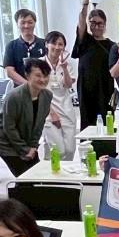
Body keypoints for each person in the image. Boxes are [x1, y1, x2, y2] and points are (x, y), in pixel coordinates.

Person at [0, 58, 53, 177]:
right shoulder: (14, 96)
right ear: (27, 76)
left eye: (46, 76)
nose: (43, 79)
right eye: (38, 75)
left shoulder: (47, 95)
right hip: (4, 139)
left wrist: (33, 147)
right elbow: (9, 127)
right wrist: (25, 149)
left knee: (37, 174)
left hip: (24, 137)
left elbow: (40, 124)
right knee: (25, 176)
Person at [74, 0, 115, 127]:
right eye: (93, 23)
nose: (97, 26)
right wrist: (85, 2)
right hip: (86, 90)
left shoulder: (112, 46)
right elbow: (81, 21)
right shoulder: (85, 41)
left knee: (107, 123)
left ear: (105, 24)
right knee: (88, 124)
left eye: (100, 23)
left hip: (105, 89)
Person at [42, 30, 78, 161]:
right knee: (58, 151)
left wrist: (64, 68)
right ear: (46, 44)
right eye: (54, 43)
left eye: (60, 44)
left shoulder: (67, 64)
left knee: (70, 150)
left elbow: (68, 85)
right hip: (48, 112)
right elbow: (38, 92)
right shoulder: (39, 64)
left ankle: (64, 174)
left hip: (67, 110)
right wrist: (51, 113)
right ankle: (50, 172)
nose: (57, 47)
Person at [2, 8, 45, 87]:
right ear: (17, 24)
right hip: (21, 90)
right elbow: (9, 71)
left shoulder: (44, 44)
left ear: (35, 23)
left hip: (43, 88)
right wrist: (29, 86)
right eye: (23, 23)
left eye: (30, 22)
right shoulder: (11, 46)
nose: (26, 26)